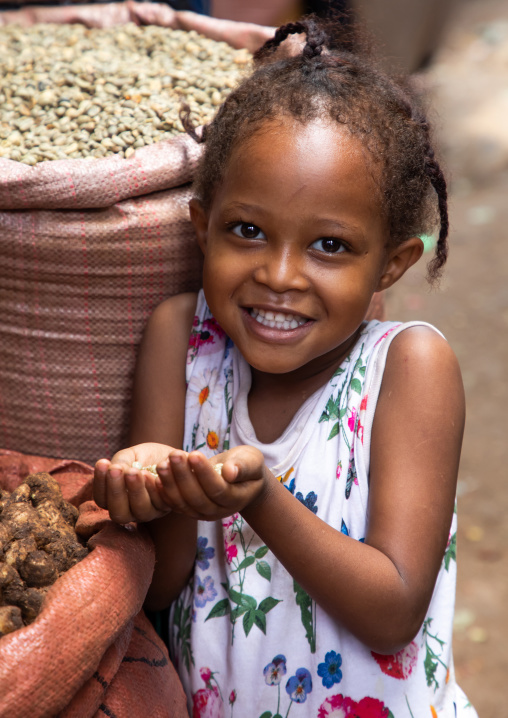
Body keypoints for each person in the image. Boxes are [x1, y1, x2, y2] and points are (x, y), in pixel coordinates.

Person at [94, 16, 477, 717]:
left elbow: (393, 610)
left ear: (391, 264)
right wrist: (162, 489)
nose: (279, 274)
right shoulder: (181, 340)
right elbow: (160, 588)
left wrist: (260, 498)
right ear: (201, 226)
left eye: (329, 245)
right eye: (247, 231)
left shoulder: (410, 367)